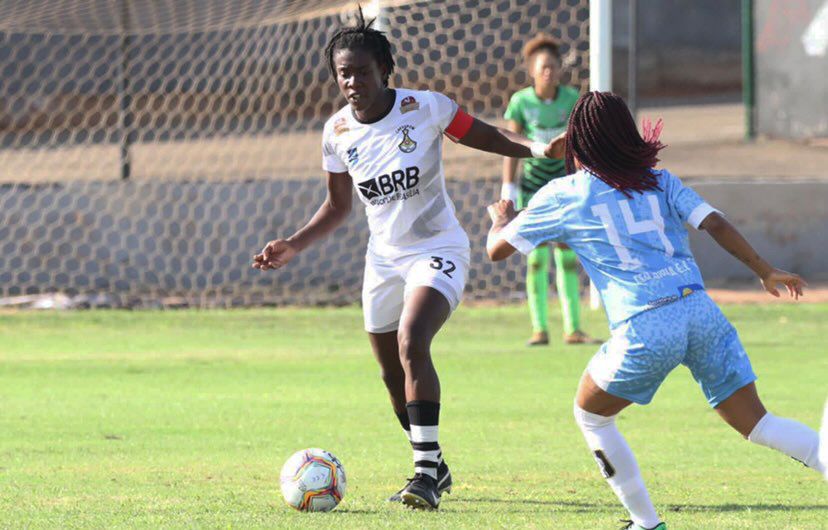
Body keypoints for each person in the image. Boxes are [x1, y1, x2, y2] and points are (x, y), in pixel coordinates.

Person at [253, 9, 563, 510]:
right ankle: (435, 463)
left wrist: (536, 149)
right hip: (383, 260)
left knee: (412, 338)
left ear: (384, 70)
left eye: (361, 72)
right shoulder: (336, 133)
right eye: (343, 74)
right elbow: (337, 207)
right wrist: (294, 242)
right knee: (388, 370)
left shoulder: (426, 108)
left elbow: (481, 133)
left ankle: (422, 477)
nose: (352, 82)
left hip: (437, 248)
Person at [486, 91, 823, 529]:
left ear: (579, 141)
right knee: (758, 423)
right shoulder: (660, 181)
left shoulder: (564, 194)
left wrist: (501, 217)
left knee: (591, 415)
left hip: (646, 326)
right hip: (700, 311)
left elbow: (496, 250)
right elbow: (715, 222)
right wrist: (765, 270)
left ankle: (645, 523)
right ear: (627, 134)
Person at [501, 33, 598, 346]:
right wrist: (509, 187)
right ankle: (539, 328)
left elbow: (581, 143)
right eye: (543, 66)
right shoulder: (521, 102)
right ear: (532, 70)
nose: (548, 71)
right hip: (532, 190)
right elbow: (511, 145)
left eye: (553, 66)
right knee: (536, 258)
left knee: (568, 256)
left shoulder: (571, 99)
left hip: (564, 186)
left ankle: (573, 328)